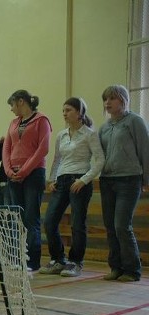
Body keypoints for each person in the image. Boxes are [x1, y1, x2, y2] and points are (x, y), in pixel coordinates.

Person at [40, 97, 105, 277]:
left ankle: (76, 262)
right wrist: (52, 180)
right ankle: (58, 260)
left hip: (80, 182)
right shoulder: (61, 135)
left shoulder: (89, 134)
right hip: (61, 181)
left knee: (77, 224)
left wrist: (84, 180)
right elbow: (57, 160)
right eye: (63, 110)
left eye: (68, 110)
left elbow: (100, 160)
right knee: (50, 221)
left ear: (79, 112)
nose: (64, 113)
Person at [98, 85, 149, 282]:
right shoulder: (104, 127)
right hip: (107, 181)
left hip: (129, 179)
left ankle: (132, 269)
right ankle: (116, 267)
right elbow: (99, 155)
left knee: (121, 225)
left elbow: (145, 150)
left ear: (123, 100)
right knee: (110, 226)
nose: (107, 103)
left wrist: (146, 179)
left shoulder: (134, 121)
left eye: (112, 98)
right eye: (105, 99)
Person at [3, 89, 51, 272]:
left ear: (21, 102)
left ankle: (32, 261)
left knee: (31, 218)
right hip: (13, 175)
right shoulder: (13, 123)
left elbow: (43, 149)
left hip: (33, 174)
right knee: (19, 219)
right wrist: (9, 170)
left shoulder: (42, 120)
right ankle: (20, 257)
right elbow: (6, 148)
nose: (11, 110)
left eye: (12, 105)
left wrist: (24, 170)